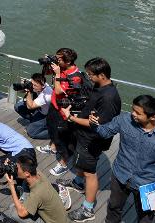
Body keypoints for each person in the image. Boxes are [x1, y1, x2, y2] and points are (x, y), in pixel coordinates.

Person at [90, 95, 155, 223]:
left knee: (146, 219)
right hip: (120, 176)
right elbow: (105, 132)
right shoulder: (124, 120)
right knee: (114, 207)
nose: (133, 114)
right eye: (133, 110)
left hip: (147, 185)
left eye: (138, 113)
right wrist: (95, 125)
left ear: (153, 117)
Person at [56, 58, 122, 222]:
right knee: (81, 164)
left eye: (91, 74)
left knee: (90, 173)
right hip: (84, 136)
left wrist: (70, 117)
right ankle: (78, 183)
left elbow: (98, 126)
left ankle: (88, 209)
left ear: (102, 75)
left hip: (92, 139)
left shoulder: (108, 98)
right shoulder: (101, 87)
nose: (89, 77)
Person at [42, 48, 81, 176]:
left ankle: (64, 164)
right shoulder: (62, 67)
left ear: (68, 61)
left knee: (64, 139)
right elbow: (47, 74)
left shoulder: (74, 77)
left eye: (59, 59)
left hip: (64, 112)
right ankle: (53, 148)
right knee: (51, 128)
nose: (57, 61)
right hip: (55, 105)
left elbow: (58, 91)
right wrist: (49, 63)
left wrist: (58, 74)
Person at [2, 154, 71, 223]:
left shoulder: (36, 193)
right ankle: (27, 204)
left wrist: (11, 185)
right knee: (25, 184)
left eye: (17, 169)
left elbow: (21, 213)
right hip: (60, 218)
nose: (15, 170)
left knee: (13, 211)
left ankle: (26, 204)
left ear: (26, 173)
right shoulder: (37, 173)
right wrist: (11, 164)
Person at [14, 73, 53, 140]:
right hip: (38, 109)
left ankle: (55, 133)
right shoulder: (33, 82)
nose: (33, 86)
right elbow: (21, 91)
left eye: (35, 86)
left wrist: (28, 91)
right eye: (32, 84)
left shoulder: (47, 95)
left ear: (43, 85)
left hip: (46, 116)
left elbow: (30, 106)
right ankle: (34, 121)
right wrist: (23, 86)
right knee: (18, 106)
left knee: (31, 133)